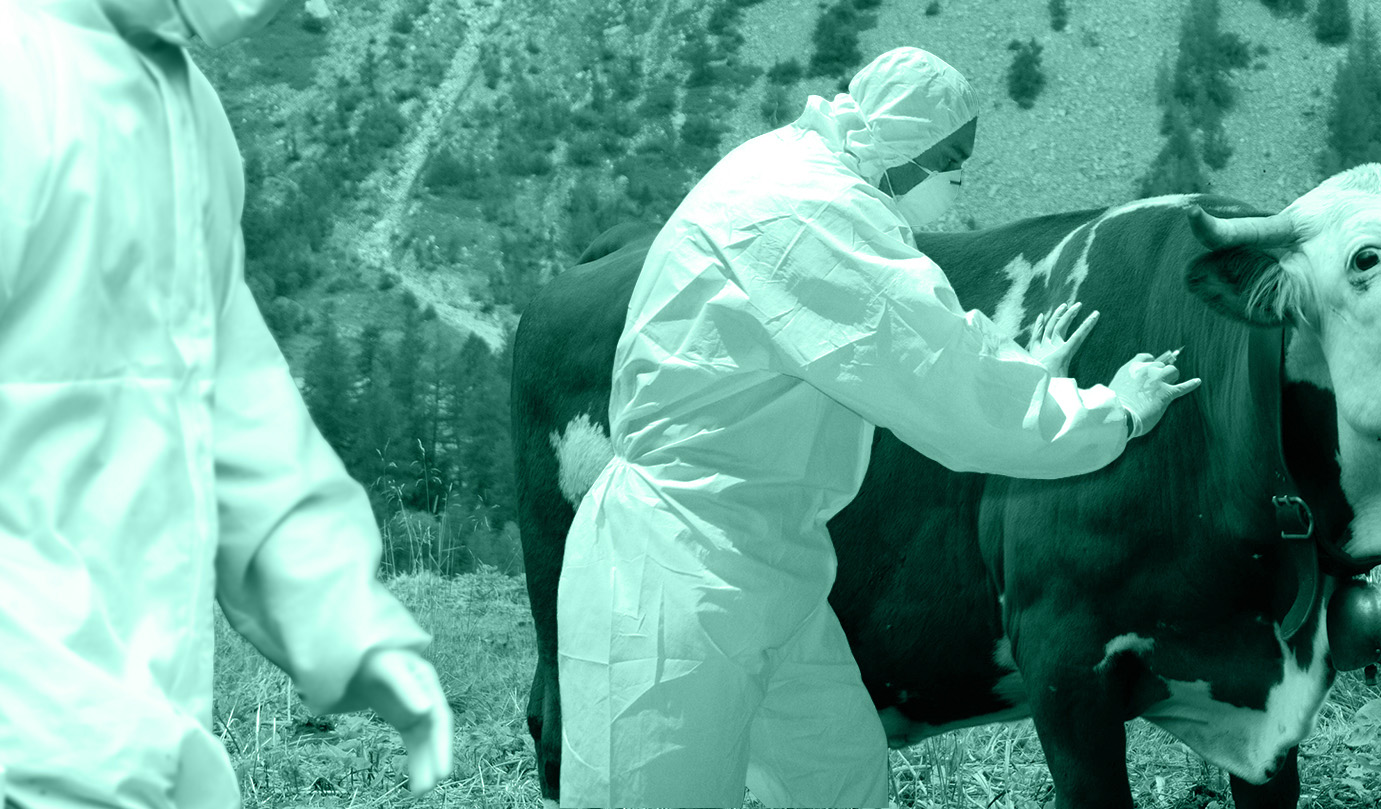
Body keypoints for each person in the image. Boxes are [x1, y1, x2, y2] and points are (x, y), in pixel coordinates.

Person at [556, 46, 1199, 808]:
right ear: (900, 140)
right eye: (950, 161)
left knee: (840, 777)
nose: (957, 182)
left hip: (771, 562)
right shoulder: (814, 214)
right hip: (676, 572)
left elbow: (908, 342)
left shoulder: (802, 172)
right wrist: (1113, 411)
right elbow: (941, 379)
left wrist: (1020, 370)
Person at [0, 1, 454, 806]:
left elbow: (236, 409)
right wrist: (71, 722)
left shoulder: (187, 118)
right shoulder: (17, 82)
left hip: (137, 738)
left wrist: (342, 617)